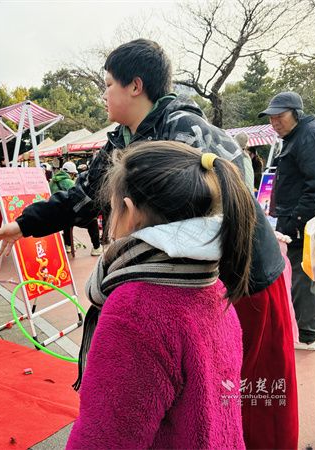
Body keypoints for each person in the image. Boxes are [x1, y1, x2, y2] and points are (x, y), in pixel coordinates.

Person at [0, 39, 297, 449]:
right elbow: (85, 195)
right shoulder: (122, 138)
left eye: (108, 84)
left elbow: (232, 193)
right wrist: (25, 224)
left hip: (237, 282)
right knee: (199, 410)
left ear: (135, 85)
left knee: (245, 404)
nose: (103, 95)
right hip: (188, 289)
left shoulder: (187, 132)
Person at [67, 141, 251, 449]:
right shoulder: (213, 285)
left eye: (111, 209)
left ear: (129, 213)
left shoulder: (135, 310)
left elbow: (103, 439)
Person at [259, 91, 315, 351]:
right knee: (309, 270)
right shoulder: (298, 135)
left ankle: (308, 335)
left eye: (279, 116)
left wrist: (296, 220)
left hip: (304, 221)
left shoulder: (308, 135)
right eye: (271, 118)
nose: (274, 122)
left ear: (296, 113)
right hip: (299, 218)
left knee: (303, 273)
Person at [50, 162, 102, 256]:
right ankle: (96, 247)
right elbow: (78, 197)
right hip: (71, 216)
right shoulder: (69, 182)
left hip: (58, 215)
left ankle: (68, 245)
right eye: (73, 174)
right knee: (92, 221)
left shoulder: (52, 182)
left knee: (66, 221)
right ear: (71, 173)